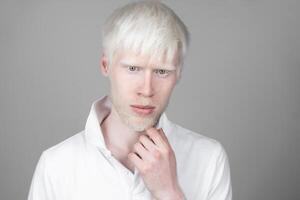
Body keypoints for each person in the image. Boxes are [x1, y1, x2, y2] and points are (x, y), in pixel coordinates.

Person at [28, 1, 232, 200]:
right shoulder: (55, 165)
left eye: (162, 71)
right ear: (105, 65)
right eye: (133, 69)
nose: (146, 90)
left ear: (178, 75)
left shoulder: (209, 159)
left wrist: (169, 193)